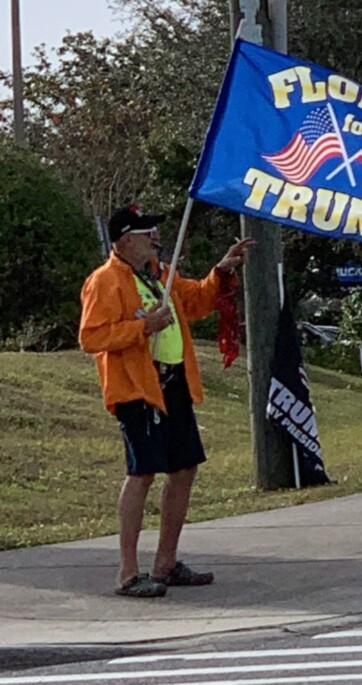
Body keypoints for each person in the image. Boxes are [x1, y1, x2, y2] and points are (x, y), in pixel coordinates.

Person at [79, 205, 254, 598]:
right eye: (145, 233)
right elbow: (91, 337)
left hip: (173, 383)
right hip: (138, 387)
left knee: (185, 466)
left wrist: (221, 270)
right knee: (142, 472)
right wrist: (143, 327)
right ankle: (128, 572)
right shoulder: (105, 281)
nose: (155, 238)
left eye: (155, 231)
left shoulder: (160, 274)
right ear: (124, 239)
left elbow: (195, 301)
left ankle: (166, 562)